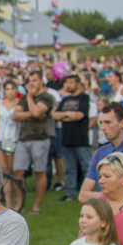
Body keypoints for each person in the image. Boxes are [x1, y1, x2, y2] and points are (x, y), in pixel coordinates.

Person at [78, 103, 123, 203]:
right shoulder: (100, 152)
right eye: (101, 123)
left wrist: (102, 196)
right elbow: (83, 196)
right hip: (104, 213)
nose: (103, 127)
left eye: (108, 122)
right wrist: (114, 195)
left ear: (122, 123)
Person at [12, 72, 56, 214]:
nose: (31, 83)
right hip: (23, 138)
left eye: (35, 80)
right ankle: (21, 204)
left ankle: (37, 205)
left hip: (40, 138)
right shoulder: (23, 98)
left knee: (39, 172)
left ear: (41, 81)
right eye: (29, 80)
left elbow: (38, 112)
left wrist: (30, 99)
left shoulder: (46, 97)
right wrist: (32, 112)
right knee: (18, 171)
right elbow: (16, 115)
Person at [51, 75, 91, 203]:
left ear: (78, 84)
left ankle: (88, 194)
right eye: (67, 83)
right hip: (67, 138)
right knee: (69, 168)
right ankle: (70, 193)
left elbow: (80, 115)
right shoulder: (65, 99)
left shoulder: (84, 98)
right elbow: (55, 115)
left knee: (86, 167)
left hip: (81, 139)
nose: (68, 85)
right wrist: (69, 115)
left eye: (71, 82)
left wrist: (64, 116)